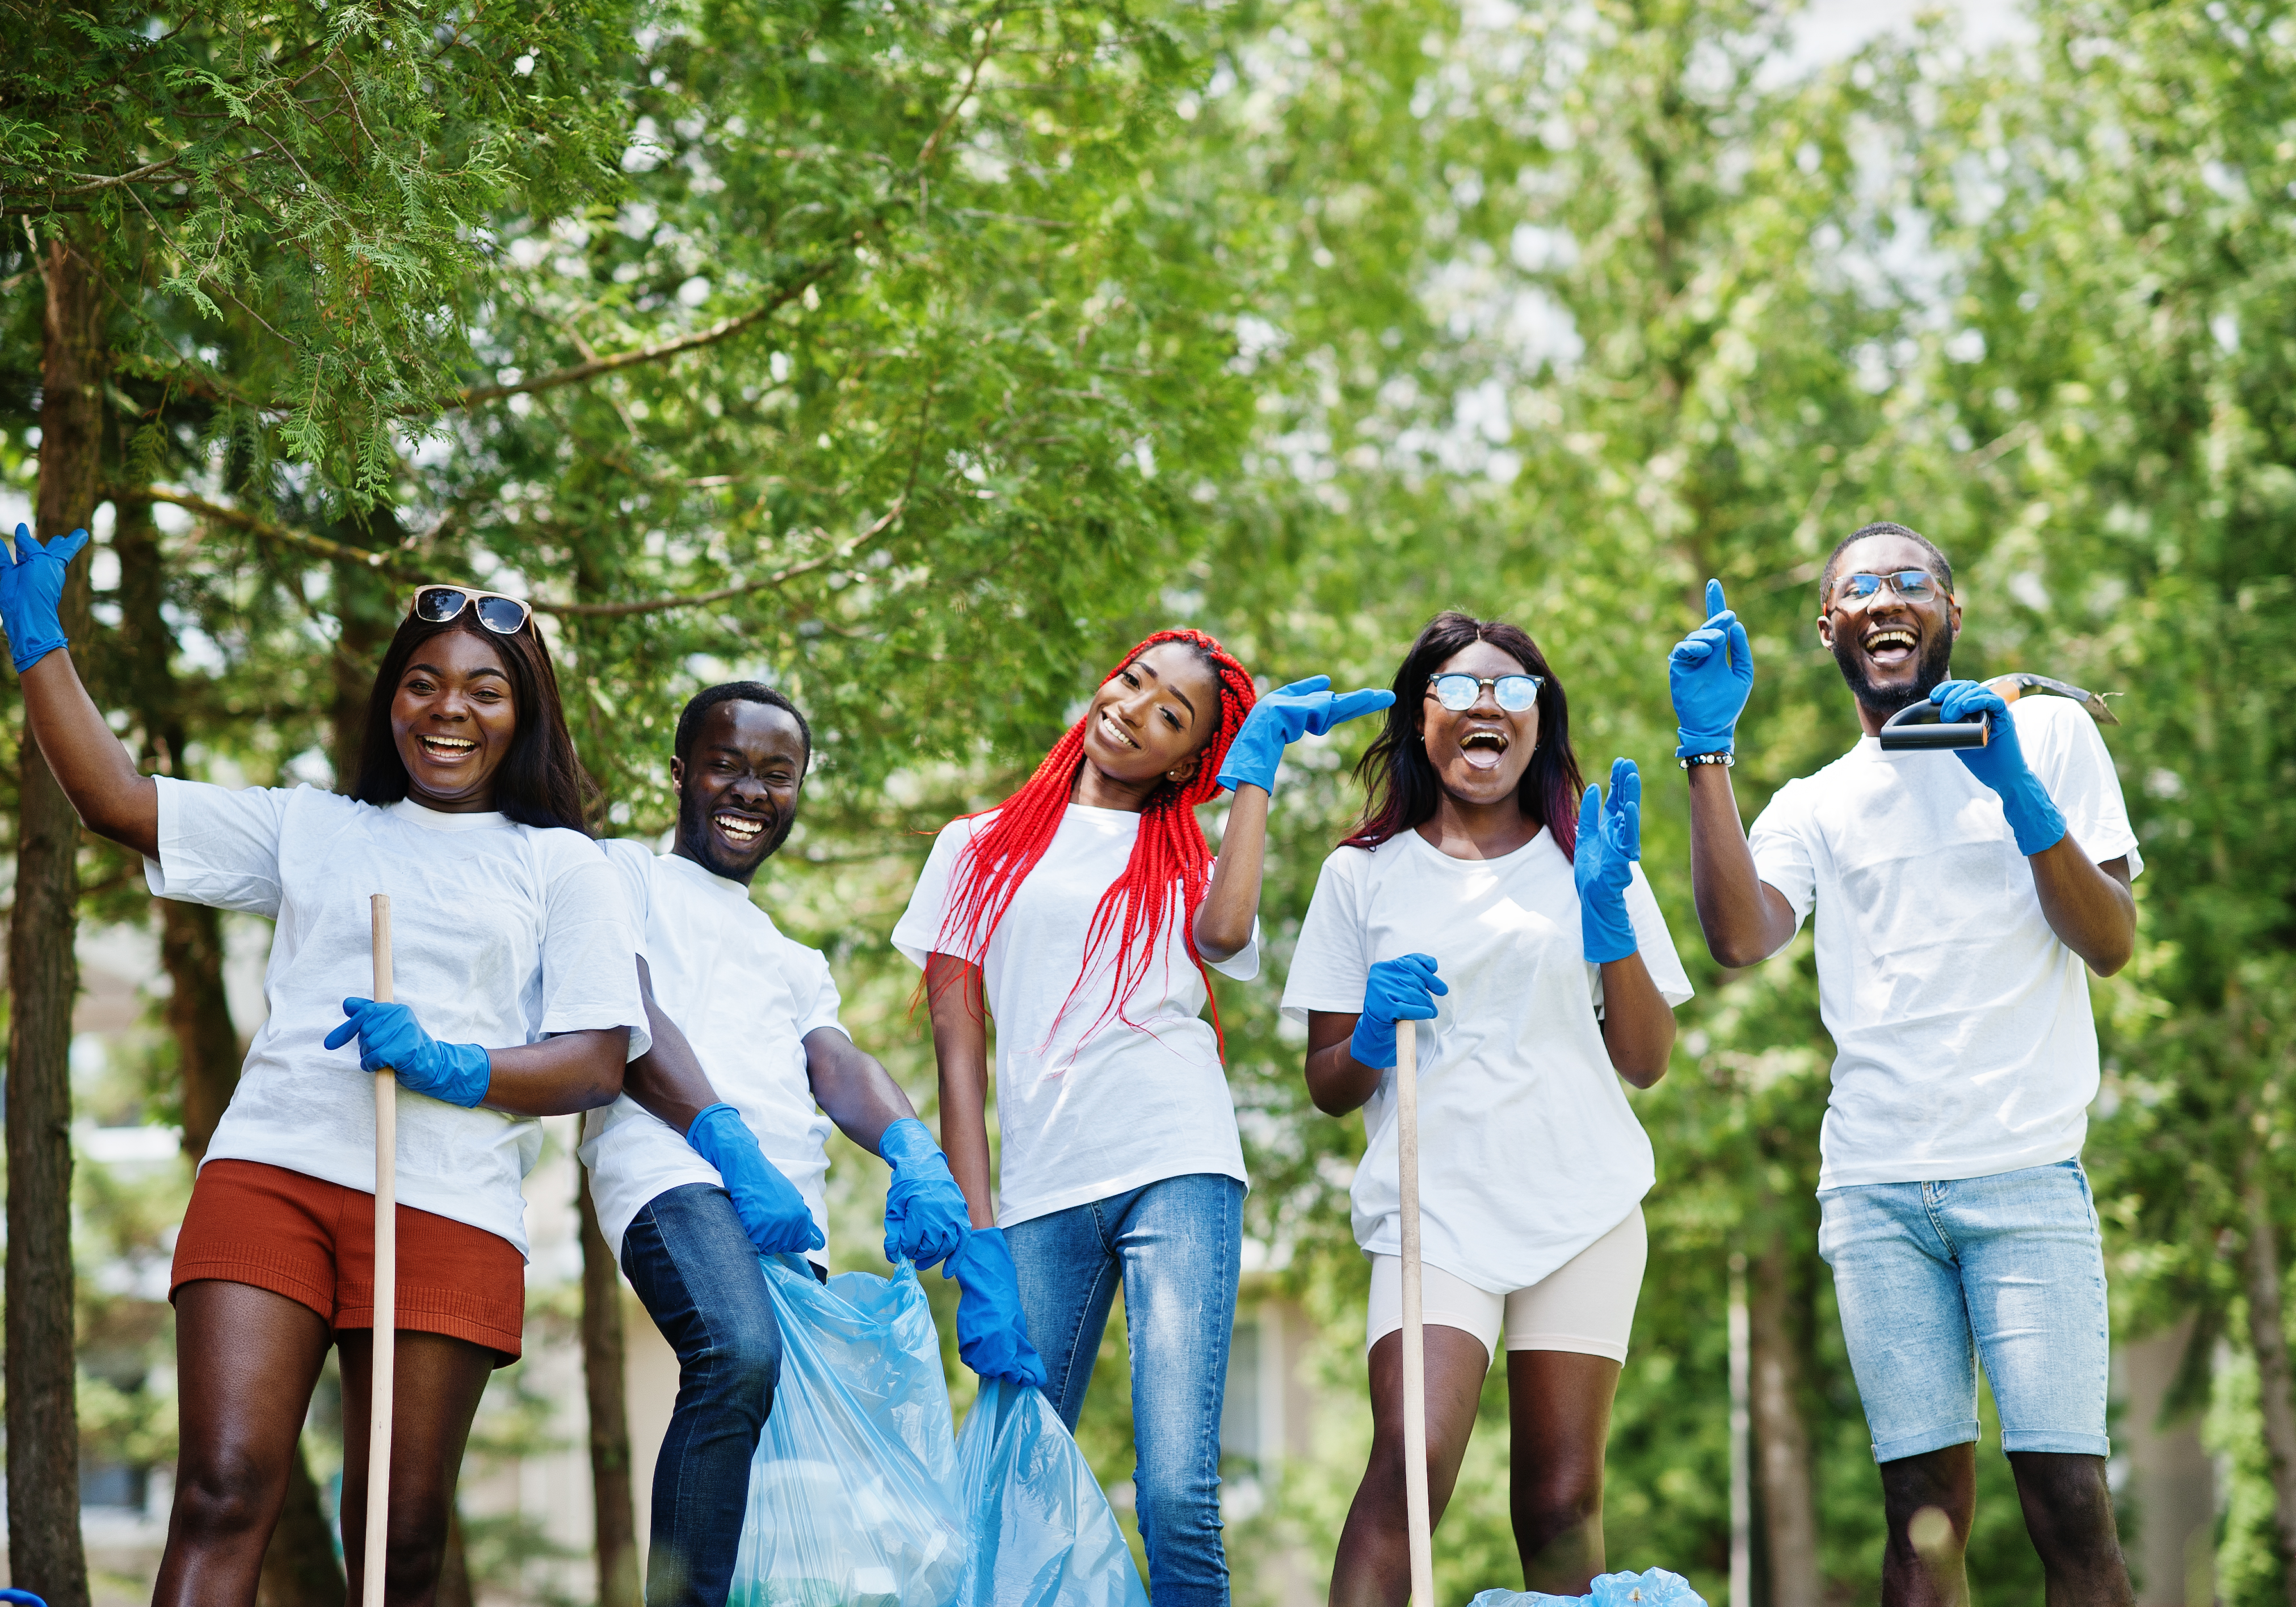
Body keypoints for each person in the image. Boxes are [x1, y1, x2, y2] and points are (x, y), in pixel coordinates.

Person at [0, 527, 649, 1607]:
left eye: (485, 691)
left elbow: (594, 1063)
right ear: (390, 701)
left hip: (448, 1203)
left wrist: (450, 1063)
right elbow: (116, 801)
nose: (449, 710)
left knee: (399, 1538)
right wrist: (39, 645)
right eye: (424, 684)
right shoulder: (312, 828)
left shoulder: (560, 865)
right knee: (222, 1488)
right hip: (275, 1172)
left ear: (523, 713)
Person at [1672, 525, 2140, 1602]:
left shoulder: (2053, 735)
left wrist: (2015, 789)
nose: (1887, 599)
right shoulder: (1815, 804)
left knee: (2070, 1509)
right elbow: (1742, 939)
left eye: (1910, 581)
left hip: (2025, 1179)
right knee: (1920, 1523)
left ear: (1951, 612)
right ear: (1829, 626)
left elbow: (2110, 941)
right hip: (1878, 1192)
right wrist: (1707, 751)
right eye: (1859, 589)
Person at [893, 629, 1388, 1606]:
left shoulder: (1181, 856)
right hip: (1040, 1187)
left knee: (1175, 1495)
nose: (1132, 709)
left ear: (1187, 760)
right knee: (1007, 1490)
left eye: (1172, 715)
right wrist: (975, 1240)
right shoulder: (975, 846)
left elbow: (1227, 933)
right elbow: (961, 1054)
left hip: (1177, 1157)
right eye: (1133, 682)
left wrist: (1255, 779)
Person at [579, 680, 1034, 1607]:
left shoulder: (793, 957)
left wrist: (915, 1151)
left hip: (791, 1224)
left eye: (777, 775)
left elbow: (835, 1062)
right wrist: (729, 1146)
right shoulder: (620, 877)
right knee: (738, 1355)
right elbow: (621, 1010)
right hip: (673, 1176)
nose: (752, 791)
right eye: (727, 766)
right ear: (679, 775)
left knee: (783, 1471)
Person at [1282, 613, 1691, 1600]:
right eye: (1459, 690)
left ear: (1541, 721)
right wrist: (1371, 1034)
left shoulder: (1591, 857)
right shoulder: (1361, 875)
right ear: (1420, 719)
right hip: (1436, 1214)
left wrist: (1610, 920)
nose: (1486, 707)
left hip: (1580, 1205)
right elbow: (1330, 1084)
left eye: (1512, 691)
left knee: (1559, 1502)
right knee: (1411, 1463)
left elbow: (1646, 1060)